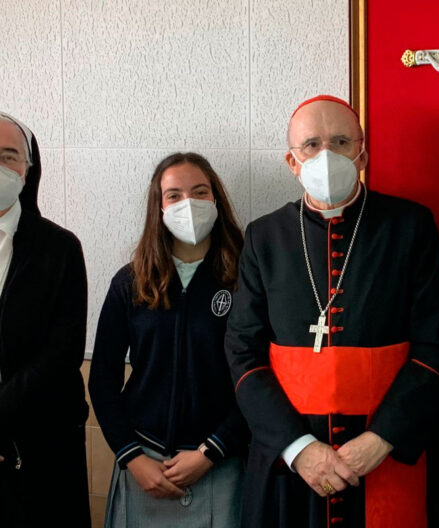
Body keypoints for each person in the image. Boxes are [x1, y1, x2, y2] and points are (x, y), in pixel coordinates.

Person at [225, 94, 439, 528]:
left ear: (362, 155)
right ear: (292, 162)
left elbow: (436, 350)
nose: (326, 154)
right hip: (290, 464)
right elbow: (243, 354)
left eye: (341, 142)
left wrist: (382, 438)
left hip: (385, 454)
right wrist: (299, 448)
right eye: (311, 145)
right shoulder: (264, 238)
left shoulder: (409, 227)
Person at [88, 152, 249, 527]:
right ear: (158, 206)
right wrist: (131, 456)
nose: (188, 203)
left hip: (220, 460)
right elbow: (103, 379)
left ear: (216, 199)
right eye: (174, 195)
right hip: (144, 463)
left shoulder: (245, 278)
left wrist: (212, 450)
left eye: (200, 192)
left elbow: (260, 374)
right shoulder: (131, 282)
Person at [0, 112, 90, 526]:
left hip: (42, 439)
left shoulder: (60, 248)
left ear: (28, 168)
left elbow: (63, 350)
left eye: (8, 156)